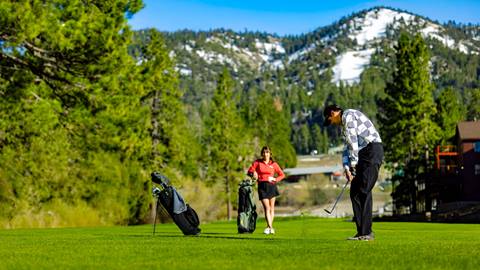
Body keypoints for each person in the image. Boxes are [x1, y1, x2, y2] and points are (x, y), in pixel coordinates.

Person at [323, 104, 384, 241]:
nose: (332, 124)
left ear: (333, 113)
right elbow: (347, 148)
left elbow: (353, 143)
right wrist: (347, 168)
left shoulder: (349, 116)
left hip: (372, 151)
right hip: (364, 154)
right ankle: (361, 231)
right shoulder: (344, 125)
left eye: (330, 120)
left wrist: (353, 165)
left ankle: (367, 233)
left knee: (364, 189)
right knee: (355, 192)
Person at [247, 146, 285, 235]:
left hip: (272, 186)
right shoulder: (257, 162)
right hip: (262, 186)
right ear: (262, 154)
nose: (265, 154)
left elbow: (282, 175)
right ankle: (270, 227)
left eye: (267, 152)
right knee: (267, 208)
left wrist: (275, 179)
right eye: (264, 152)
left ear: (270, 154)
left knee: (272, 208)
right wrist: (254, 174)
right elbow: (250, 171)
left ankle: (269, 227)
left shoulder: (274, 164)